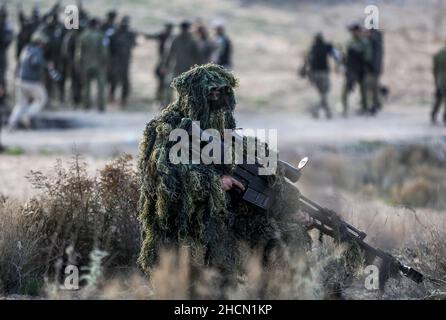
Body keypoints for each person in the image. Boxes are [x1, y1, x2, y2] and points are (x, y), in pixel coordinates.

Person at [138, 64, 311, 291]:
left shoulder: (222, 125)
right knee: (219, 250)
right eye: (211, 93)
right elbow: (161, 176)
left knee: (288, 234)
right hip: (188, 218)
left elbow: (258, 170)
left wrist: (291, 206)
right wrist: (215, 182)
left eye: (223, 93)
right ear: (193, 95)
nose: (218, 99)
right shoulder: (166, 126)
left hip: (228, 213)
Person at [8, 33, 49, 131]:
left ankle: (12, 122)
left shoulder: (26, 49)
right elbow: (35, 62)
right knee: (42, 99)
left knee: (21, 104)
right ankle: (26, 116)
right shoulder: (37, 51)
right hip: (31, 82)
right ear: (40, 42)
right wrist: (45, 66)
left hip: (20, 80)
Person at [303, 33, 340, 119]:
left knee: (322, 94)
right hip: (323, 73)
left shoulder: (313, 48)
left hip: (314, 74)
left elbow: (307, 61)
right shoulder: (326, 46)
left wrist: (307, 73)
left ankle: (328, 112)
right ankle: (316, 109)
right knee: (324, 94)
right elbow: (337, 55)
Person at [76, 18, 108, 112]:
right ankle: (101, 107)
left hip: (86, 65)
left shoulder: (83, 36)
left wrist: (78, 64)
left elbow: (79, 53)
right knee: (101, 87)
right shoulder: (101, 36)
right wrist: (105, 63)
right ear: (96, 25)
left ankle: (86, 106)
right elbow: (104, 52)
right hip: (99, 65)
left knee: (86, 86)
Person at [109, 16, 137, 107]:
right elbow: (110, 46)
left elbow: (133, 44)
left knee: (125, 82)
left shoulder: (130, 34)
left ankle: (123, 99)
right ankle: (112, 96)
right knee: (114, 79)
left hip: (125, 61)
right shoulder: (115, 33)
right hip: (116, 60)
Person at [341, 24, 369, 117]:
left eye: (355, 31)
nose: (354, 33)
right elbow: (344, 56)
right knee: (346, 90)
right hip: (351, 69)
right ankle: (345, 109)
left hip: (361, 69)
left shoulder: (364, 42)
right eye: (353, 31)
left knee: (363, 90)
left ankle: (365, 108)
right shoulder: (349, 42)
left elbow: (368, 56)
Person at [144, 22, 174, 106]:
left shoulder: (170, 37)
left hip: (167, 62)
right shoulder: (165, 36)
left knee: (165, 83)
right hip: (164, 61)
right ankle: (161, 101)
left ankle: (164, 101)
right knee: (161, 82)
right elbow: (151, 36)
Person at [364, 28, 384, 115]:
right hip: (372, 69)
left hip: (373, 69)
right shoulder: (373, 41)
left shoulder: (375, 42)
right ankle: (374, 105)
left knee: (373, 88)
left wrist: (374, 68)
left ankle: (375, 106)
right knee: (371, 88)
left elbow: (376, 57)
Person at [0, 6, 13, 107]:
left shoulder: (6, 27)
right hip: (2, 55)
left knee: (2, 78)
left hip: (2, 54)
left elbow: (8, 41)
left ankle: (2, 98)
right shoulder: (6, 26)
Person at [431, 43, 446, 125]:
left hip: (440, 80)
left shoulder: (438, 54)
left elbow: (434, 70)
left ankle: (433, 115)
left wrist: (436, 80)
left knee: (438, 98)